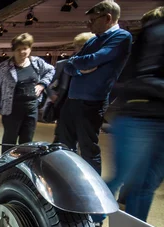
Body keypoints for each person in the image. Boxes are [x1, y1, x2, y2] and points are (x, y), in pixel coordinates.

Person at [99, 7, 164, 225]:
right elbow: (136, 77)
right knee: (124, 179)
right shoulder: (154, 33)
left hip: (148, 117)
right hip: (139, 116)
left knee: (145, 186)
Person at [56, 0, 132, 177]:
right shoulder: (93, 40)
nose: (88, 24)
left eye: (92, 20)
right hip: (73, 99)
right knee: (66, 145)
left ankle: (93, 190)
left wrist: (79, 65)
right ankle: (70, 180)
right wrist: (80, 66)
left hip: (92, 101)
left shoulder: (121, 37)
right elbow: (69, 65)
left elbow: (93, 60)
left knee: (88, 148)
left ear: (107, 18)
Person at [0, 34, 55, 154]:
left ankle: (22, 168)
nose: (22, 52)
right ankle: (6, 168)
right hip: (11, 110)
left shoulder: (37, 63)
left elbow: (51, 70)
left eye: (25, 48)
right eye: (18, 49)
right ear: (13, 51)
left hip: (31, 109)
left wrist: (42, 84)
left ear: (30, 49)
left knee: (27, 142)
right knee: (9, 142)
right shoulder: (5, 66)